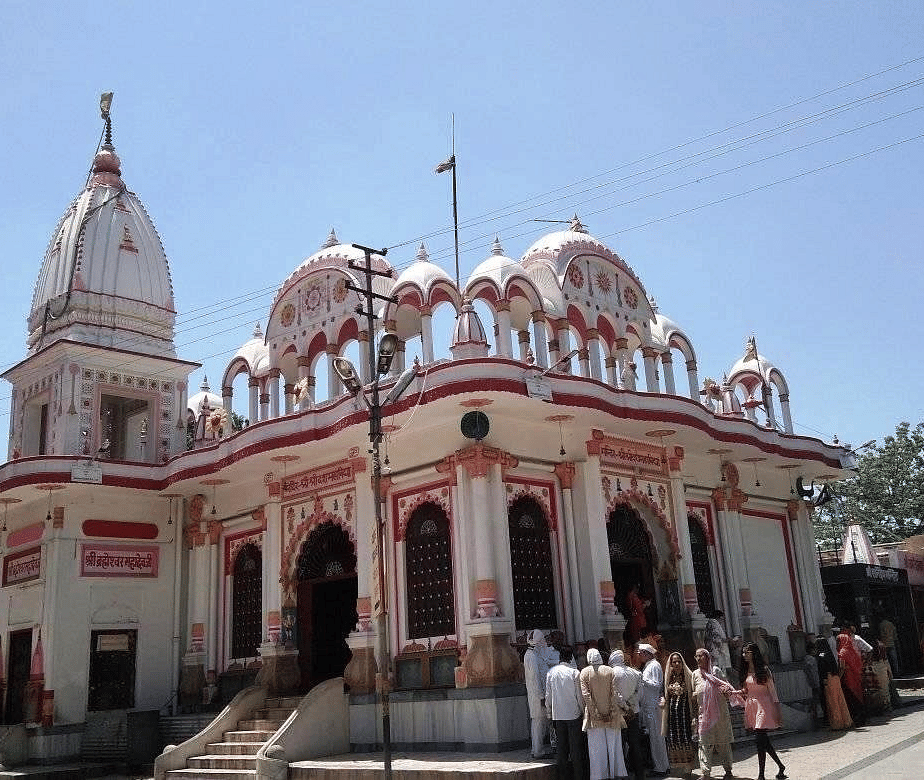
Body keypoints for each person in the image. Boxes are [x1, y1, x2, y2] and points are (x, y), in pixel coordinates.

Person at [733, 642, 786, 780]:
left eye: (747, 652)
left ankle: (761, 775)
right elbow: (746, 690)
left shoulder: (764, 670)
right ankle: (780, 765)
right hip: (751, 705)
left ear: (754, 653)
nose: (744, 655)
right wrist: (733, 692)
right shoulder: (745, 672)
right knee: (763, 741)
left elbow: (773, 692)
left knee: (759, 739)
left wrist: (777, 710)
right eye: (743, 652)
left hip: (764, 705)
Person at [580, 647, 626, 780]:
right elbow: (614, 693)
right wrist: (610, 712)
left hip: (595, 720)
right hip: (612, 716)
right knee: (614, 747)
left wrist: (596, 714)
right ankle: (617, 774)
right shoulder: (610, 671)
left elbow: (587, 696)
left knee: (596, 749)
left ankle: (599, 776)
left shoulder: (584, 672)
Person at [692, 648, 736, 780]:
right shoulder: (695, 674)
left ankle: (728, 770)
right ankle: (705, 773)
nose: (699, 659)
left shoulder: (715, 671)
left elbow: (726, 686)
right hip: (703, 715)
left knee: (723, 743)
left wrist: (726, 690)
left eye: (701, 656)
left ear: (707, 657)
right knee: (704, 743)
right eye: (697, 656)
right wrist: (694, 716)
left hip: (720, 714)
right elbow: (693, 695)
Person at [546, 646, 585, 780]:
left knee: (561, 749)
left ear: (560, 657)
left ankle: (563, 776)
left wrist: (549, 713)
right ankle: (578, 776)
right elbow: (579, 696)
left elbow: (548, 696)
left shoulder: (551, 672)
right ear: (570, 658)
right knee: (575, 749)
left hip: (558, 716)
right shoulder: (574, 673)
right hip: (573, 715)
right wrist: (582, 711)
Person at [611, 649, 645, 780]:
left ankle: (622, 774)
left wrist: (624, 705)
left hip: (620, 714)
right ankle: (639, 774)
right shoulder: (635, 672)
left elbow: (614, 694)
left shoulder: (612, 673)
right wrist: (631, 704)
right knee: (635, 744)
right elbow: (640, 694)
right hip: (634, 712)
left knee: (619, 746)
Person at [661, 651, 697, 775]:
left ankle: (689, 768)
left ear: (682, 662)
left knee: (686, 740)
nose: (676, 664)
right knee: (675, 740)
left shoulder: (689, 676)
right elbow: (664, 694)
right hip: (673, 716)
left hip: (685, 715)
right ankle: (681, 767)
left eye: (678, 661)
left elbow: (694, 692)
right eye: (674, 662)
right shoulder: (668, 677)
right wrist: (663, 700)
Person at [638, 642, 670, 776]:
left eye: (641, 653)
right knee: (654, 738)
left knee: (657, 738)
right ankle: (661, 765)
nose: (639, 656)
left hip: (653, 707)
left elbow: (656, 685)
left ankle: (661, 767)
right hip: (649, 706)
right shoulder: (648, 666)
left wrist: (641, 679)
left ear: (646, 654)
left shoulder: (654, 666)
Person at [524, 629, 553, 758]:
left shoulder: (533, 654)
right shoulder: (531, 656)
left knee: (539, 722)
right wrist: (541, 697)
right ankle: (537, 751)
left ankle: (537, 749)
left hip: (537, 695)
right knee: (538, 722)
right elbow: (534, 678)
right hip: (537, 696)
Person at [814, 637, 852, 730]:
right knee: (840, 700)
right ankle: (846, 721)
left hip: (828, 679)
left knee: (832, 702)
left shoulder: (821, 655)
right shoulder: (830, 654)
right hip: (835, 678)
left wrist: (824, 680)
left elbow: (822, 670)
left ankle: (837, 724)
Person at [837, 632, 866, 726]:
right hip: (856, 677)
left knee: (851, 698)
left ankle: (855, 718)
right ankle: (862, 717)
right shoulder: (853, 651)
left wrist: (838, 678)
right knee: (858, 696)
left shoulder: (842, 652)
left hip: (848, 678)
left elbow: (842, 667)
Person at [705, 610, 732, 676]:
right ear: (718, 617)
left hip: (714, 651)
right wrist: (726, 640)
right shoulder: (714, 623)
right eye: (721, 619)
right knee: (718, 671)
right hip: (717, 652)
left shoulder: (710, 623)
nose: (721, 621)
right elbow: (716, 638)